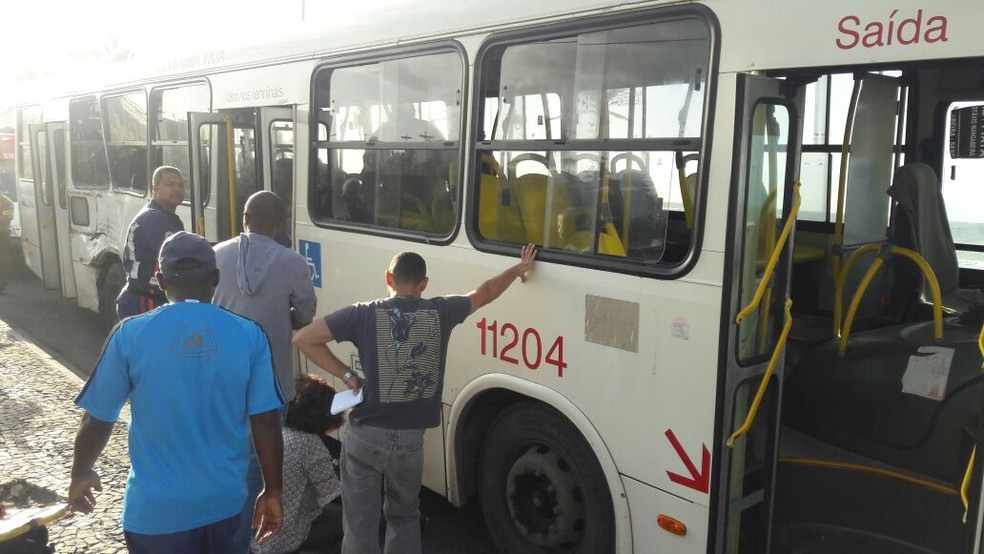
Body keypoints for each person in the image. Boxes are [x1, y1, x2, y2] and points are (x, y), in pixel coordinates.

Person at [293, 244, 538, 554]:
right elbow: (486, 291)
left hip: (365, 436)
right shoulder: (443, 311)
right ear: (424, 283)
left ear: (388, 278)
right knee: (404, 516)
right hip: (410, 442)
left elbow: (303, 339)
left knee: (358, 522)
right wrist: (518, 270)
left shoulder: (363, 313)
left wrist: (347, 376)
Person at [68, 231, 287, 553]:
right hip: (224, 504)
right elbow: (266, 420)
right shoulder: (250, 335)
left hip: (155, 513)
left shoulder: (129, 335)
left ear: (160, 279)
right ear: (215, 278)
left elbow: (98, 418)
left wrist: (80, 473)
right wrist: (273, 492)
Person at [213, 190, 317, 552]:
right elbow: (304, 316)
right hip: (270, 384)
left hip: (221, 383)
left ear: (245, 219)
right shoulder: (293, 264)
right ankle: (247, 544)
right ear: (280, 224)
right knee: (259, 469)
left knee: (223, 463)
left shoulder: (216, 256)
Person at [253, 374, 345, 554]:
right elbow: (333, 494)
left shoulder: (273, 434)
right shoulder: (309, 444)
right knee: (351, 520)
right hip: (284, 534)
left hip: (255, 532)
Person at [115, 165, 186, 320]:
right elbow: (176, 257)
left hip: (149, 298)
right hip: (145, 301)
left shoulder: (170, 218)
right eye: (170, 185)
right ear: (155, 189)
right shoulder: (153, 218)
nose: (177, 189)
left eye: (180, 185)